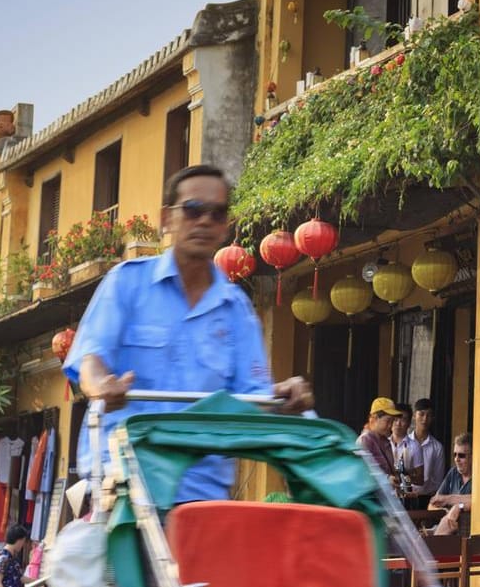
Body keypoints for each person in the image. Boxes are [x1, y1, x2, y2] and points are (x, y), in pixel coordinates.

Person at [63, 164, 313, 503]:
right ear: (167, 218)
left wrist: (284, 396)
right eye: (194, 210)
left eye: (218, 213)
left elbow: (254, 398)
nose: (205, 221)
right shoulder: (127, 282)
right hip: (123, 481)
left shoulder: (236, 309)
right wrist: (101, 386)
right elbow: (90, 360)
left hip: (202, 493)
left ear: (226, 226)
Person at [429, 433, 473, 537]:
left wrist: (457, 506)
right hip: (448, 528)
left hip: (467, 532)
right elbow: (432, 504)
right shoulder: (453, 472)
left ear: (472, 457)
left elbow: (478, 500)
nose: (456, 459)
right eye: (455, 454)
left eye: (461, 455)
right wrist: (447, 512)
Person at [409, 399, 446, 507]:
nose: (425, 419)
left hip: (426, 499)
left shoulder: (437, 447)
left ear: (433, 418)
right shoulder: (404, 443)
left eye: (429, 415)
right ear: (414, 416)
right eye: (421, 414)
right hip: (404, 497)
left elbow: (438, 480)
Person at [359, 398, 404, 470]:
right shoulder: (365, 440)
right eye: (388, 421)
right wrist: (387, 477)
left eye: (392, 421)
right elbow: (364, 472)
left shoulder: (384, 440)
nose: (390, 425)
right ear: (375, 418)